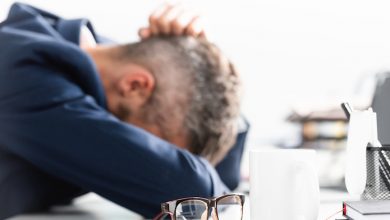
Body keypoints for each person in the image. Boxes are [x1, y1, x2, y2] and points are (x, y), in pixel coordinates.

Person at [0, 2, 249, 219]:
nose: (149, 155)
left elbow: (221, 179)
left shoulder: (104, 75)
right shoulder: (23, 69)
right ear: (135, 86)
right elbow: (190, 195)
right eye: (156, 146)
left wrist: (210, 63)